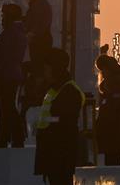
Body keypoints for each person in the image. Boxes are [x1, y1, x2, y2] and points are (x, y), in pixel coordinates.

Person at [34, 48, 83, 185]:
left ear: (55, 69)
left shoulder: (69, 91)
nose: (45, 72)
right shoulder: (54, 90)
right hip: (52, 153)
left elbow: (63, 122)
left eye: (47, 68)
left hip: (60, 155)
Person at [0, 4, 27, 148]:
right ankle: (12, 137)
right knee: (7, 107)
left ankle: (5, 138)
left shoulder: (11, 33)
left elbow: (4, 57)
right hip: (7, 75)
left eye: (4, 15)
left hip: (5, 76)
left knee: (6, 108)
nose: (2, 18)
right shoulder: (15, 32)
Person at [95, 53, 120, 165]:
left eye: (103, 70)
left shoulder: (116, 89)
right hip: (110, 137)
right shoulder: (110, 90)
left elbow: (112, 114)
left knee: (114, 164)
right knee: (112, 163)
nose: (102, 74)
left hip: (114, 137)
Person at [24, 0, 53, 65]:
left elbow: (40, 23)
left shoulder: (38, 5)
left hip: (39, 40)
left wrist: (31, 33)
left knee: (38, 63)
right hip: (41, 39)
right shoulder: (40, 3)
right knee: (39, 63)